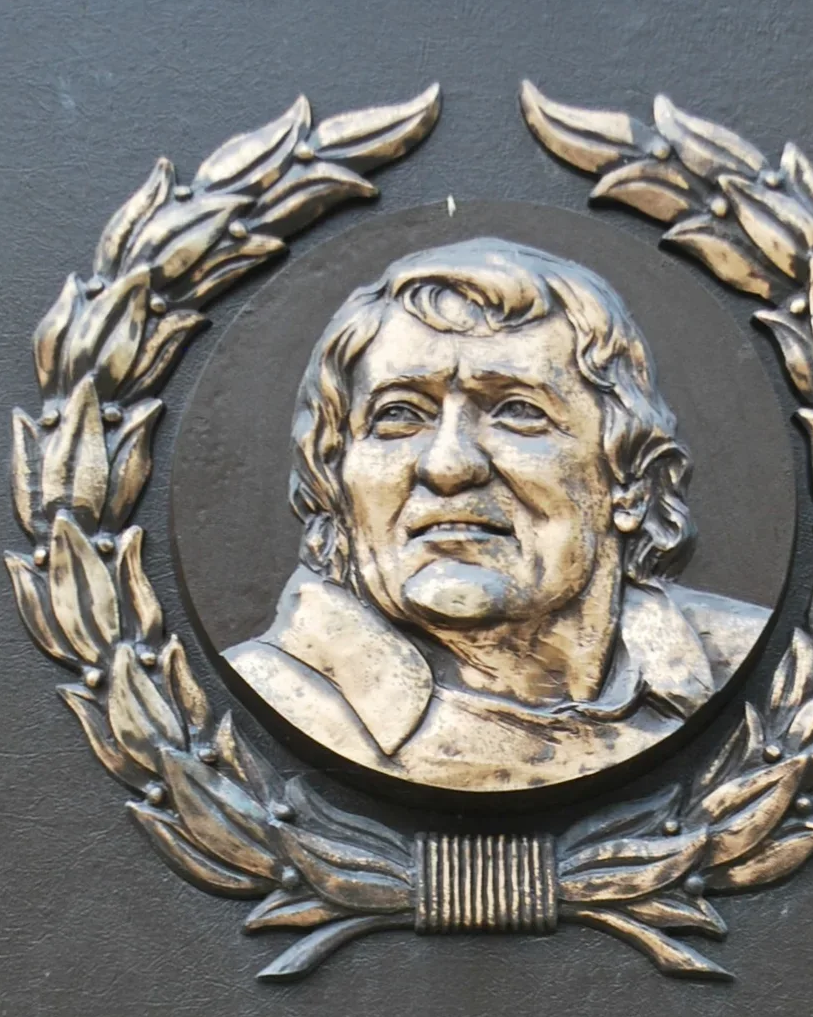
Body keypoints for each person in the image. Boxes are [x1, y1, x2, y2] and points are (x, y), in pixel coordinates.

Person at [226, 237, 770, 791]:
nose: (448, 465)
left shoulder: (774, 677)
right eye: (398, 416)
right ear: (334, 486)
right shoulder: (245, 707)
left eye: (518, 412)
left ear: (633, 483)